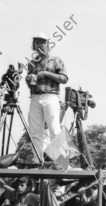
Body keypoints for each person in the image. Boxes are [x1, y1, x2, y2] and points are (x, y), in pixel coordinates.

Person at [25, 33, 68, 164]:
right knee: (35, 131)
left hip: (51, 96)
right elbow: (30, 84)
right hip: (35, 96)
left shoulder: (56, 60)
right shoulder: (32, 63)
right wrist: (29, 80)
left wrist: (45, 73)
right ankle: (37, 160)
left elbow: (64, 78)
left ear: (47, 44)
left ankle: (61, 160)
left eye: (42, 42)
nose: (39, 45)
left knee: (55, 129)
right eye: (37, 42)